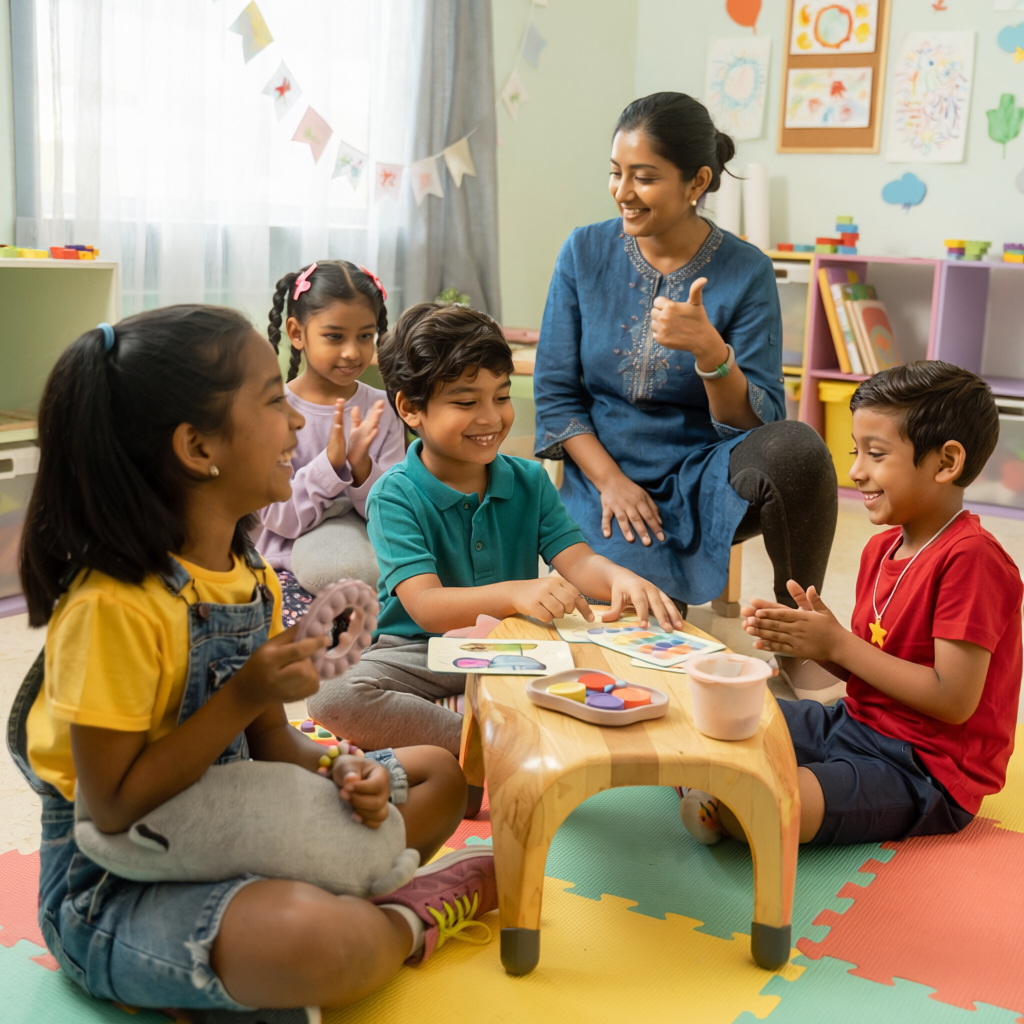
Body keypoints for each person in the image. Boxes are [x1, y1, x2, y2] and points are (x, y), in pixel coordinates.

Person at [11, 306, 497, 1021]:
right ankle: (402, 921)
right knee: (319, 942)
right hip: (115, 883)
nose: (298, 423)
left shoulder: (249, 577)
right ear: (196, 445)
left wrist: (341, 772)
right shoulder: (112, 607)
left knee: (439, 774)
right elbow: (111, 806)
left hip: (237, 824)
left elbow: (272, 744)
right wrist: (241, 696)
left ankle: (286, 921)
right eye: (274, 401)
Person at [532, 92, 837, 692]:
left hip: (705, 475)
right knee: (638, 636)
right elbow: (557, 397)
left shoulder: (746, 270)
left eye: (644, 177)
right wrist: (611, 483)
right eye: (616, 173)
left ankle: (799, 640)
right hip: (606, 477)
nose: (623, 191)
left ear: (697, 181)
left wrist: (711, 355)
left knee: (799, 450)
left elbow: (759, 426)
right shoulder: (584, 251)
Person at [307, 302, 684, 775]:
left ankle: (487, 740)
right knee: (334, 695)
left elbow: (579, 560)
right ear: (410, 408)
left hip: (517, 648)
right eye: (466, 402)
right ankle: (493, 747)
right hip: (421, 650)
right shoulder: (394, 494)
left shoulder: (529, 480)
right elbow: (425, 606)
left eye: (501, 397)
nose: (491, 417)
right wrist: (517, 592)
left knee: (631, 664)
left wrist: (620, 578)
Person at [683, 362, 1023, 847]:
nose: (856, 471)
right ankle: (720, 787)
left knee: (770, 806)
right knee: (712, 718)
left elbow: (952, 700)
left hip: (926, 768)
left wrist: (839, 645)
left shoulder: (974, 561)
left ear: (946, 462)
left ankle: (728, 798)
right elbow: (879, 669)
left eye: (876, 454)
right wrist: (817, 644)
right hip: (854, 723)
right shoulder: (879, 549)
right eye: (855, 451)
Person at [256, 260, 406, 626]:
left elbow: (393, 515)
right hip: (283, 565)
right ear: (296, 332)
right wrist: (330, 464)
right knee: (305, 648)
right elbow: (280, 519)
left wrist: (361, 469)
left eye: (365, 336)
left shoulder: (382, 409)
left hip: (367, 566)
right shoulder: (272, 411)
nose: (353, 352)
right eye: (335, 336)